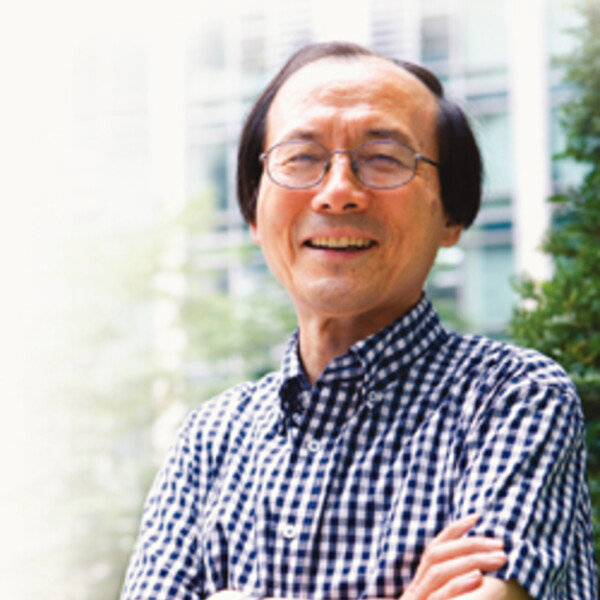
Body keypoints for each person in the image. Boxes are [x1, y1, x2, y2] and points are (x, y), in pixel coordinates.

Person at [120, 42, 597, 600]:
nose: (338, 192)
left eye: (383, 159)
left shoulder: (511, 397)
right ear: (254, 211)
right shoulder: (209, 439)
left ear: (451, 214)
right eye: (301, 158)